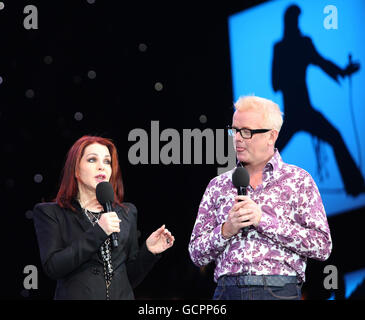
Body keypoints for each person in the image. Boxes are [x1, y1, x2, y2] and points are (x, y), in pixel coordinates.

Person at [188, 96, 332, 300]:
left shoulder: (299, 181)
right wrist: (225, 230)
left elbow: (322, 246)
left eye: (246, 132)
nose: (237, 138)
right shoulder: (217, 186)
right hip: (226, 291)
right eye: (234, 130)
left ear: (271, 136)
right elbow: (196, 254)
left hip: (278, 289)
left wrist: (262, 220)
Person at [33, 135, 175, 300]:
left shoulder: (126, 212)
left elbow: (129, 279)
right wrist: (99, 231)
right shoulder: (51, 213)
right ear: (76, 170)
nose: (102, 167)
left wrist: (149, 252)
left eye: (107, 162)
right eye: (92, 160)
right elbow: (53, 267)